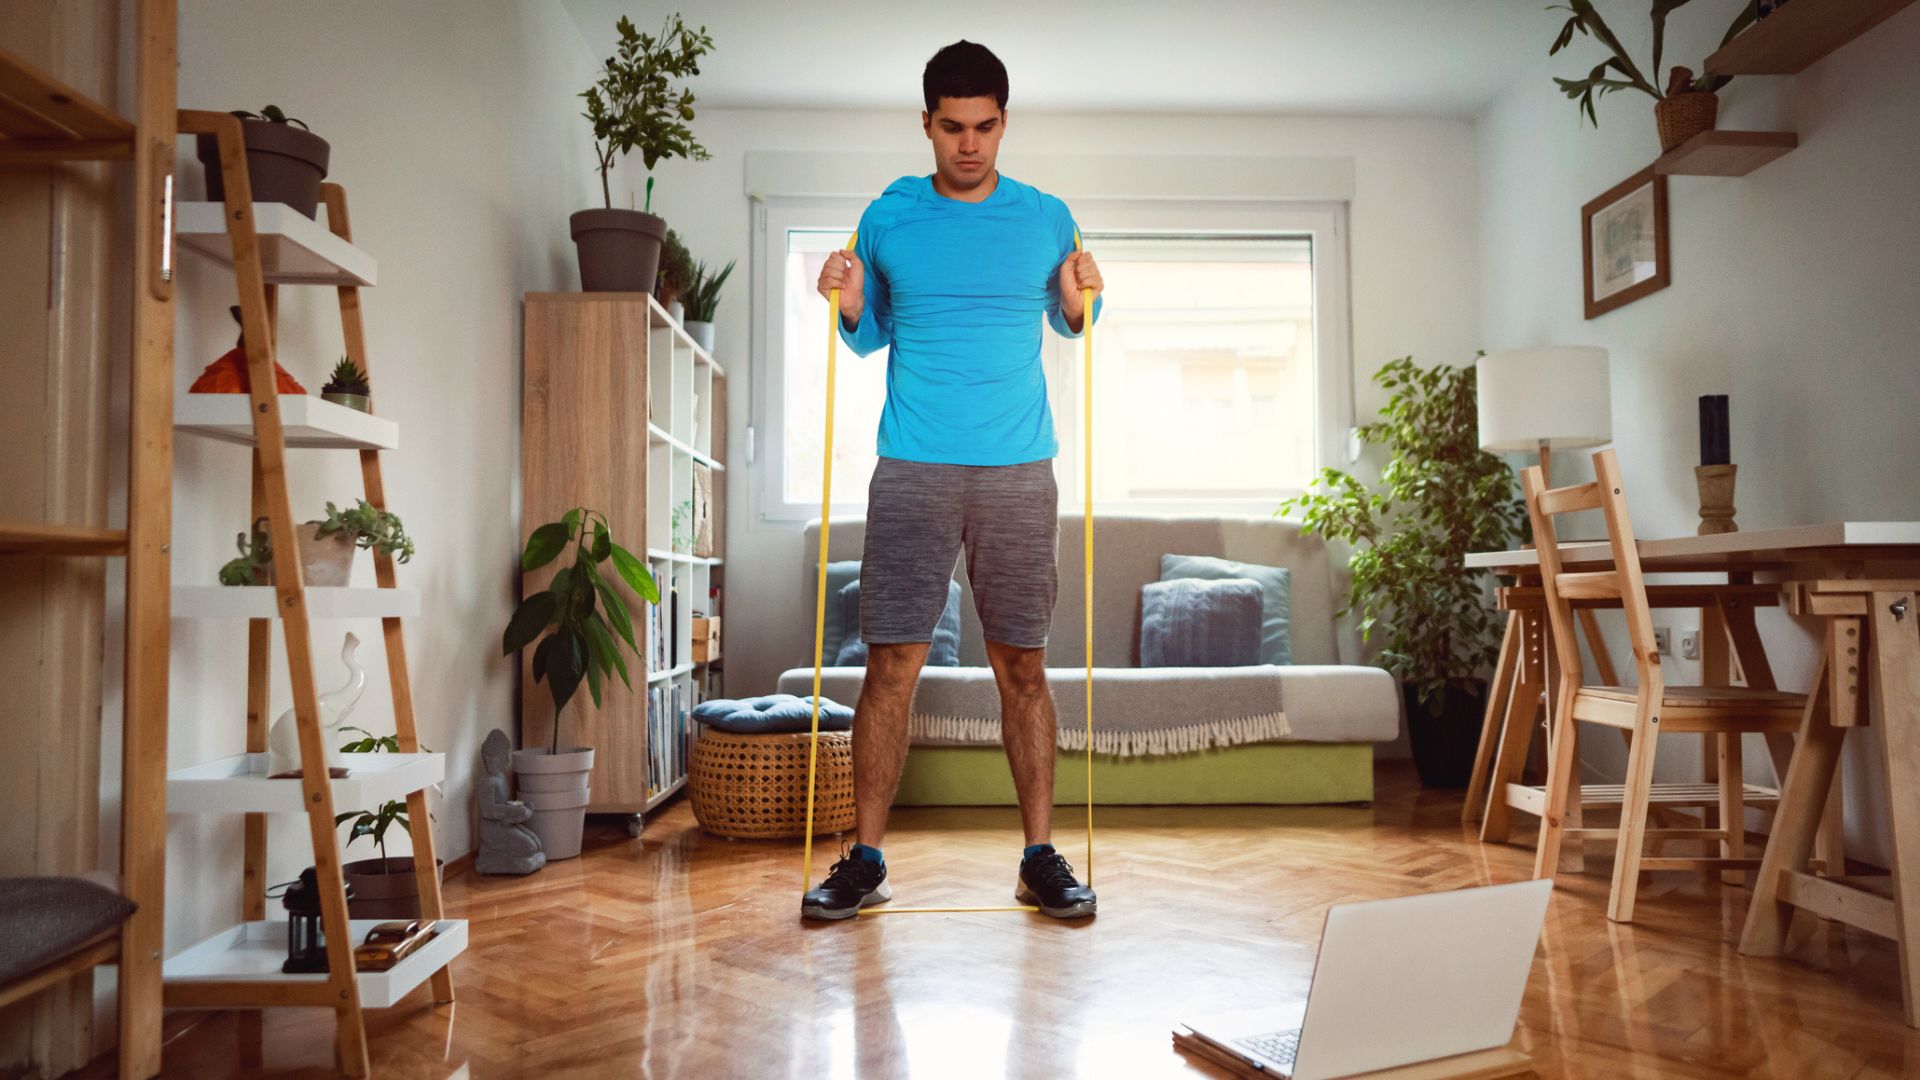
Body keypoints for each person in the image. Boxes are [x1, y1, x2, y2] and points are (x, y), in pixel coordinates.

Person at [801, 40, 1104, 921]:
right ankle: (865, 859)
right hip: (913, 465)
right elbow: (867, 332)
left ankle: (1039, 857)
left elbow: (1076, 320)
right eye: (951, 127)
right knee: (891, 661)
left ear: (1004, 123)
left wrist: (1084, 293)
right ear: (927, 124)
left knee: (1023, 664)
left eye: (985, 126)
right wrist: (847, 301)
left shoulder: (1047, 218)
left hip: (1019, 468)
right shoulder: (889, 215)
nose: (969, 144)